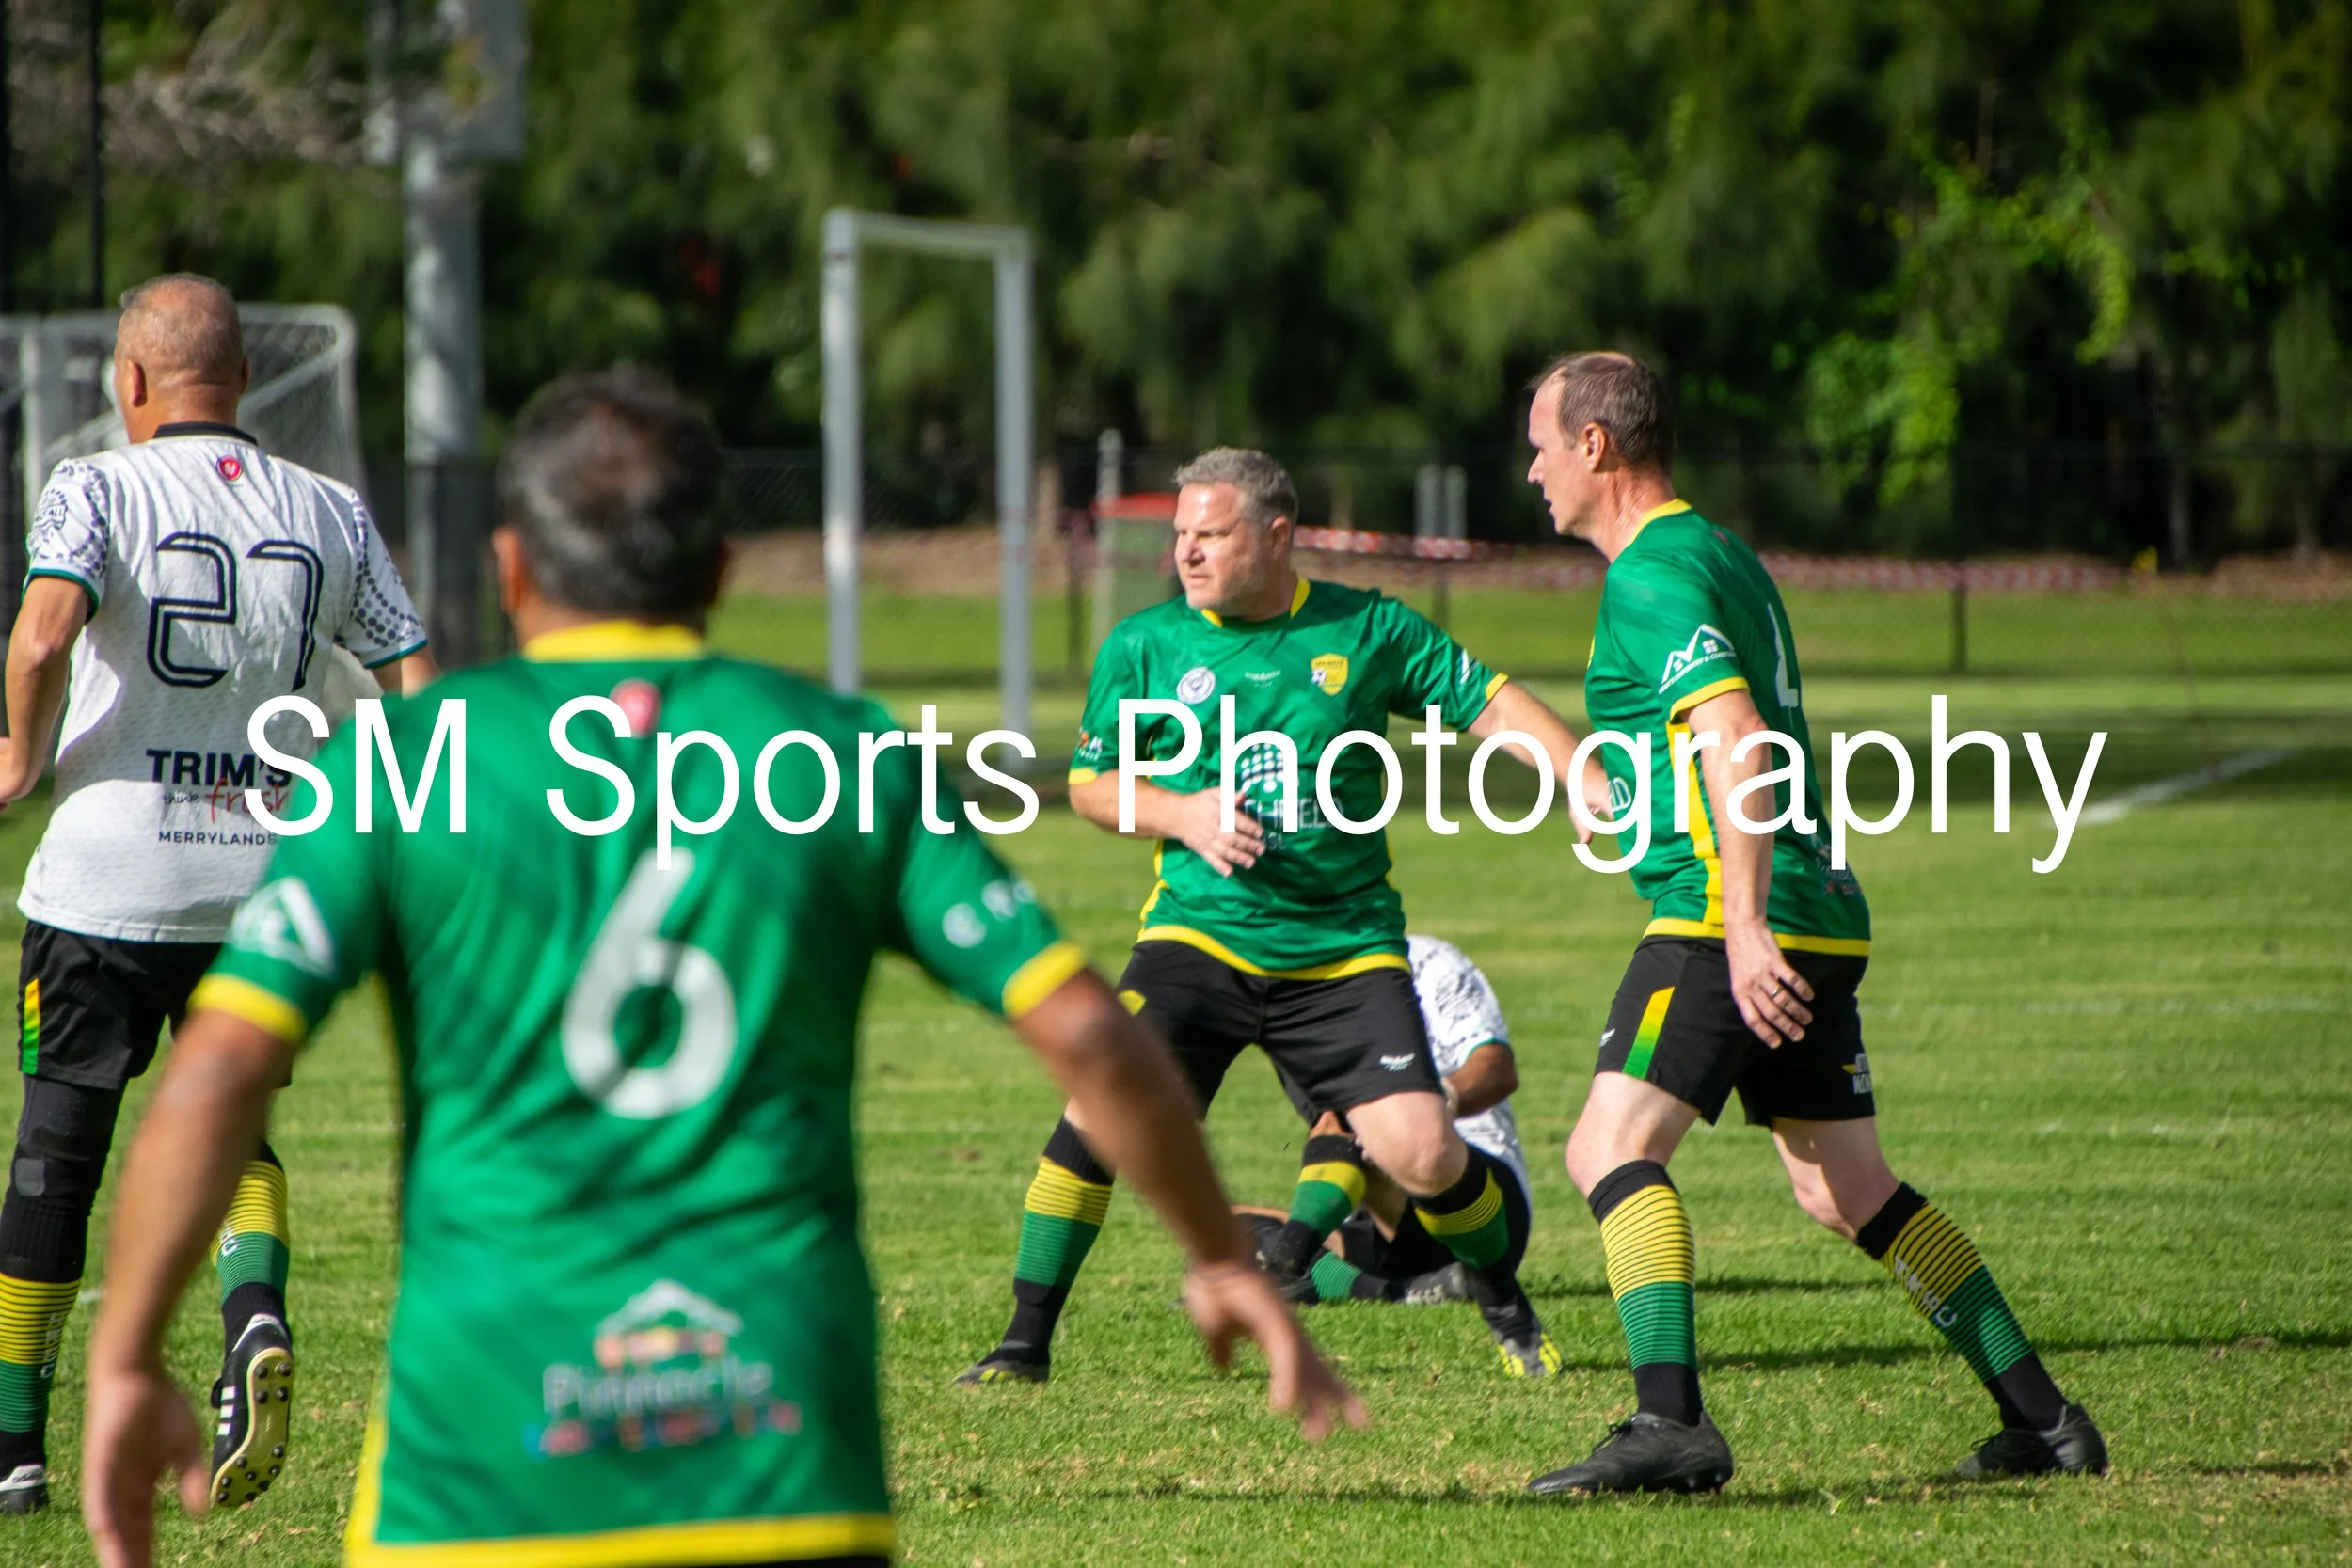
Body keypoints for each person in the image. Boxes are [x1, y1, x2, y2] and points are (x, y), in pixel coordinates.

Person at [77, 371, 1359, 1568]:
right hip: (783, 1458)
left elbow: (221, 1070)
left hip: (478, 1475)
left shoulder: (400, 761)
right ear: (723, 567)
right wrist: (1219, 1256)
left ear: (510, 566)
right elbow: (1088, 1032)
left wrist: (129, 1356)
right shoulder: (844, 753)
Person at [1515, 352, 2107, 1496]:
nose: (1531, 471)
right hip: (1816, 906)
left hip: (1725, 910)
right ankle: (2044, 1419)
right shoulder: (1720, 551)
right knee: (1846, 1188)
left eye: (1541, 445)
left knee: (1607, 1147)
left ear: (1595, 444)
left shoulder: (1650, 572)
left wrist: (1740, 925)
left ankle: (1668, 1421)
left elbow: (1736, 739)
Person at [958, 447, 1605, 1386]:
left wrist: (1579, 772)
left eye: (1210, 534)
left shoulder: (1366, 628)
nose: (1185, 552)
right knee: (1099, 1108)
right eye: (1180, 534)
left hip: (1342, 951)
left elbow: (1492, 704)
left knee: (1425, 1150)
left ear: (1275, 535)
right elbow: (1094, 784)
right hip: (1199, 937)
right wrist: (1181, 811)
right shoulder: (1144, 645)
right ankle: (1023, 1344)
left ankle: (1499, 1290)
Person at [0, 274, 435, 1516]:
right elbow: (414, 669)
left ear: (129, 379)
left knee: (57, 1150)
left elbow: (43, 635)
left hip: (107, 877)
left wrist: (20, 756)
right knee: (238, 1129)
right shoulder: (329, 506)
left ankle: (15, 1445)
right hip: (260, 882)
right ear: (244, 378)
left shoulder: (95, 486)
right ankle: (254, 1318)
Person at [1238, 934, 1529, 1308]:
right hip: (1381, 1223)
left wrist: (1429, 1111)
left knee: (1357, 1111)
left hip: (1482, 1200)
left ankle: (1286, 1266)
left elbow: (1497, 1070)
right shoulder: (1292, 990)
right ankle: (1402, 1291)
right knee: (1219, 1229)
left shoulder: (1427, 961)